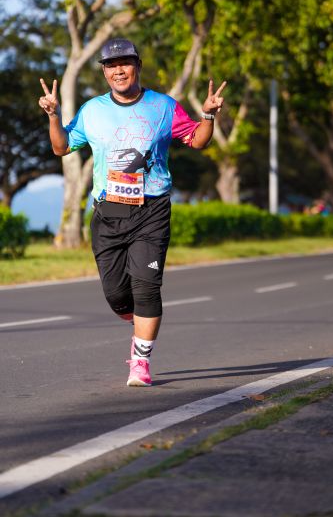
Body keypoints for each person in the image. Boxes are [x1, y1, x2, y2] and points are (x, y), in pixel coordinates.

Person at [39, 38, 226, 387]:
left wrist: (208, 115)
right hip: (108, 212)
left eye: (125, 63)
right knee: (116, 295)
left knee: (146, 287)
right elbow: (61, 147)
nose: (118, 70)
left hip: (151, 209)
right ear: (104, 73)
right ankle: (138, 319)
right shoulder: (92, 110)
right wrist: (53, 116)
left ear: (138, 66)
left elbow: (198, 141)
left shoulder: (163, 106)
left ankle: (140, 361)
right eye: (111, 66)